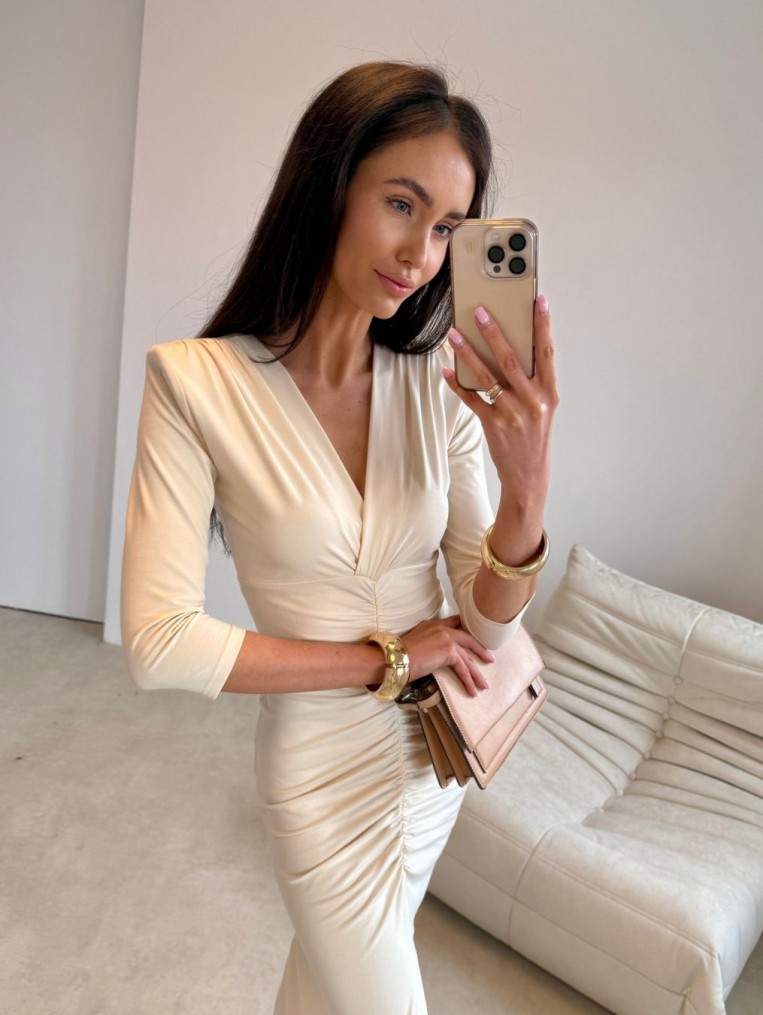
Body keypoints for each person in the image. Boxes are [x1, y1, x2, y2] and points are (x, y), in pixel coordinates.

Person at [120, 61, 558, 1015]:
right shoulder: (193, 383)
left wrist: (525, 489)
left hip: (433, 763)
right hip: (321, 778)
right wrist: (388, 657)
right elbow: (160, 643)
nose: (419, 254)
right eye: (401, 203)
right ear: (328, 185)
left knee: (325, 992)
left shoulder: (437, 390)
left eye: (445, 227)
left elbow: (484, 627)